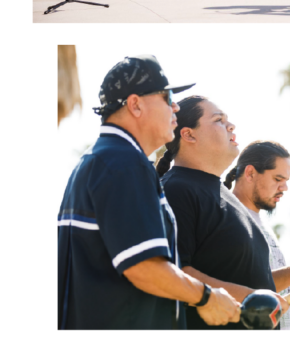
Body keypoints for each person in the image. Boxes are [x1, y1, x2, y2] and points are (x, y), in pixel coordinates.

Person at [58, 55, 241, 329]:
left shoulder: (99, 160)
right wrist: (207, 297)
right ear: (135, 104)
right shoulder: (124, 163)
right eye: (167, 98)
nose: (176, 107)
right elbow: (143, 266)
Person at [158, 98, 290, 329]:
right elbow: (173, 274)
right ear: (189, 135)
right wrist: (256, 299)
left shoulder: (226, 196)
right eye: (219, 120)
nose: (231, 126)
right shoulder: (175, 189)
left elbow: (256, 281)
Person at [226, 140, 290, 332]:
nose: (284, 188)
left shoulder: (260, 222)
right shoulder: (227, 218)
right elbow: (245, 287)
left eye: (286, 181)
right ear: (250, 173)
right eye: (277, 179)